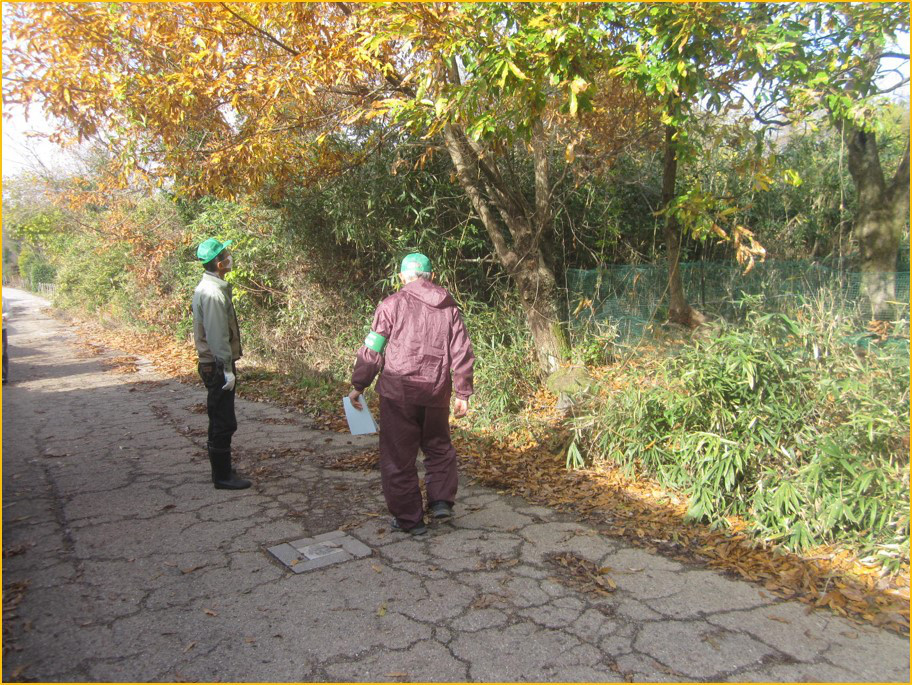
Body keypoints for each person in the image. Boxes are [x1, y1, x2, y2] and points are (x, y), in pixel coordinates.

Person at [349, 253, 474, 535]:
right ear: (431, 276)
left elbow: (373, 349)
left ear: (402, 276)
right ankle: (441, 502)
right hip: (436, 391)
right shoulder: (449, 307)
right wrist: (462, 393)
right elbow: (462, 352)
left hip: (398, 394)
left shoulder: (390, 305)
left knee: (397, 456)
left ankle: (410, 520)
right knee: (439, 447)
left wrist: (359, 385)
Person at [192, 237, 251, 490]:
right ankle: (222, 477)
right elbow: (217, 336)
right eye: (226, 254)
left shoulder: (210, 287)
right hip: (216, 365)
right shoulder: (213, 293)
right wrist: (226, 369)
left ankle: (222, 470)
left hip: (213, 363)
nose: (230, 257)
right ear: (218, 263)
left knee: (219, 417)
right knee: (223, 420)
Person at [2, 296, 10, 384]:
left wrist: (4, 316)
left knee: (2, 352)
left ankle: (3, 376)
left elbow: (9, 312)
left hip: (1, 329)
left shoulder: (3, 299)